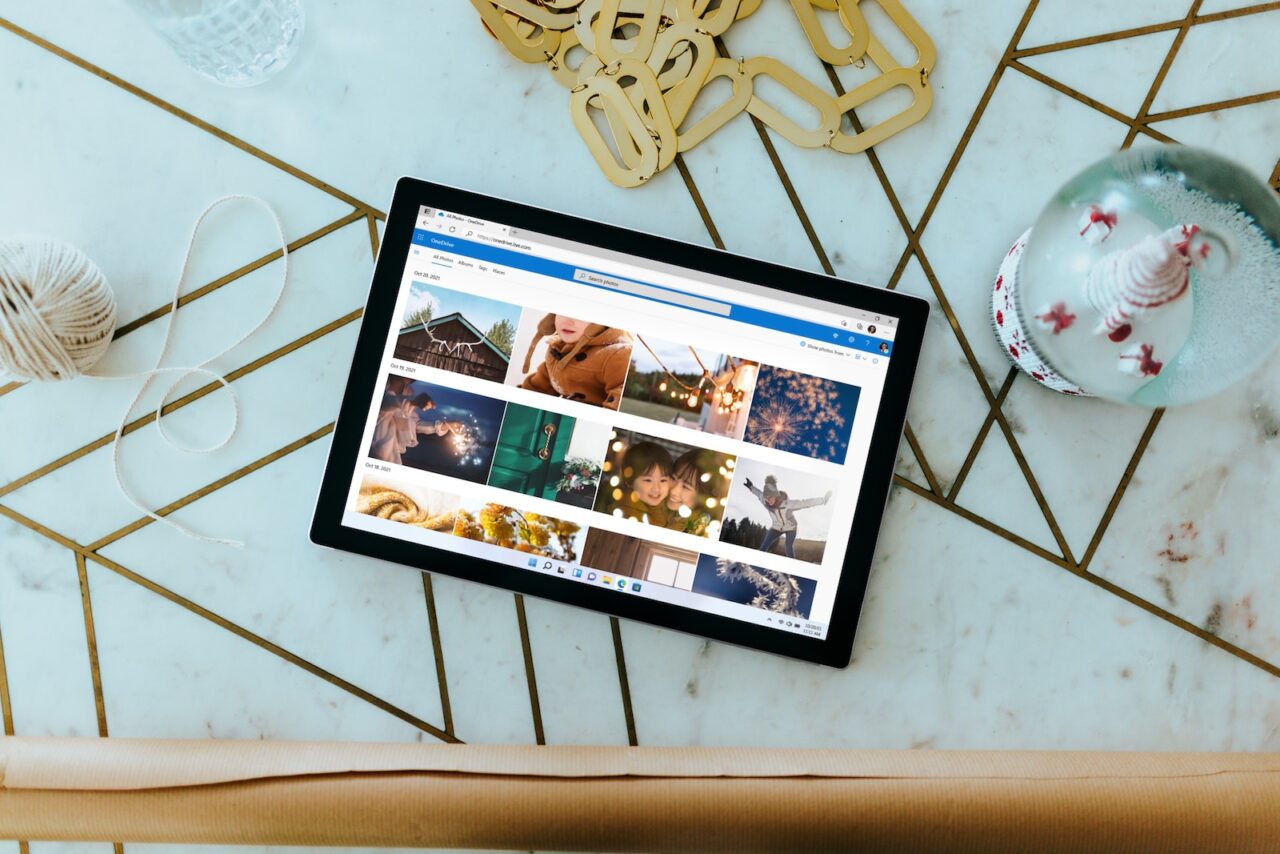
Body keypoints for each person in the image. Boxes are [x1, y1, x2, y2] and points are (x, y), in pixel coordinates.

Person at [518, 314, 632, 409]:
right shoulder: (557, 347)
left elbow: (619, 402)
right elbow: (542, 381)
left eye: (581, 315)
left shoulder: (619, 355)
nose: (568, 322)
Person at [744, 475, 831, 560]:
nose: (768, 500)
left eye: (770, 497)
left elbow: (805, 503)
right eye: (766, 498)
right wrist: (751, 487)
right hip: (776, 527)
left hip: (791, 528)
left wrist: (822, 500)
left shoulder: (787, 504)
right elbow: (759, 494)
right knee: (764, 544)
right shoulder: (765, 501)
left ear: (775, 495)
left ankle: (791, 566)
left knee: (788, 546)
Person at [370, 390, 464, 466]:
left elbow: (415, 424)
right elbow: (387, 402)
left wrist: (446, 425)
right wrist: (412, 401)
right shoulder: (382, 388)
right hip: (374, 452)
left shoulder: (408, 391)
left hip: (392, 457)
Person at [610, 441, 672, 526]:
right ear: (629, 480)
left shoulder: (670, 506)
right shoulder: (625, 513)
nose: (656, 488)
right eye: (648, 480)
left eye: (663, 480)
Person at [665, 449, 717, 537]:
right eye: (673, 478)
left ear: (703, 495)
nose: (673, 491)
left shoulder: (700, 528)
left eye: (686, 486)